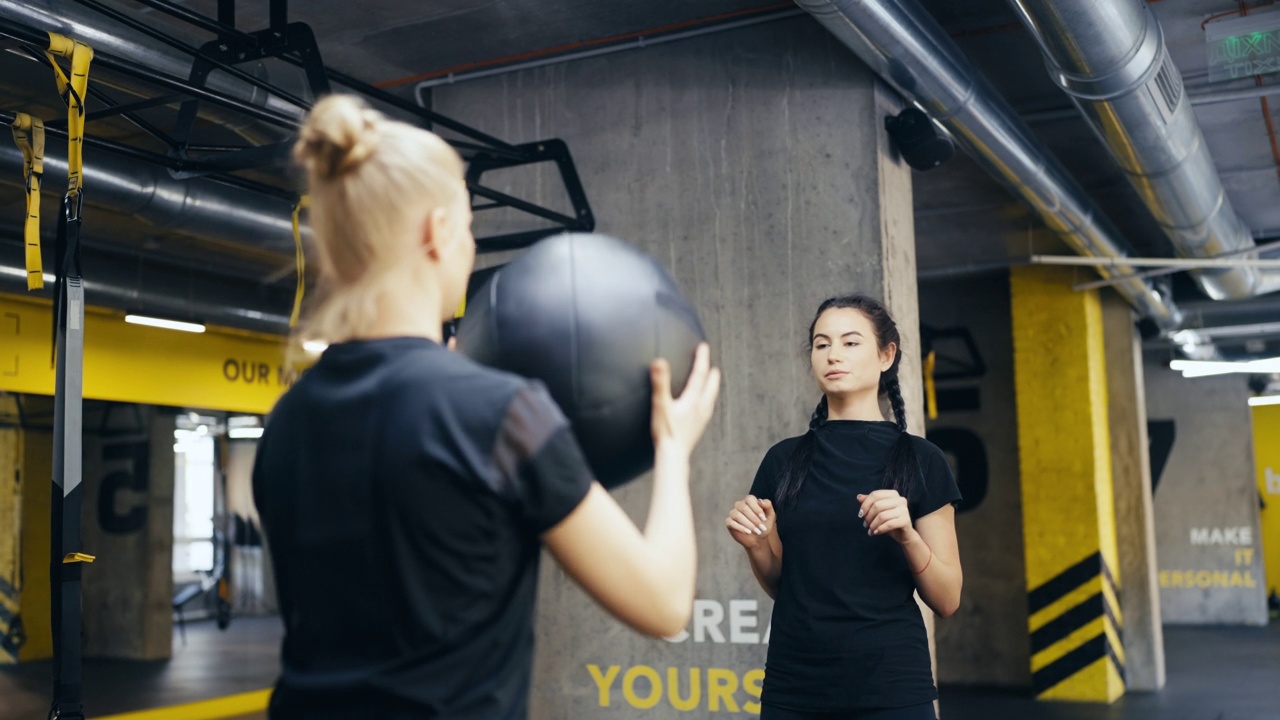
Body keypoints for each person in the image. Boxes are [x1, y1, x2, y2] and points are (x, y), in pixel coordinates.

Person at [252, 94, 721, 719]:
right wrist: (673, 450)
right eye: (469, 226)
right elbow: (663, 604)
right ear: (437, 231)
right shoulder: (501, 416)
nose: (470, 244)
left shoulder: (288, 421)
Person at [725, 294, 962, 720]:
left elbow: (947, 599)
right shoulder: (784, 460)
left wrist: (907, 536)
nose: (834, 354)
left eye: (851, 343)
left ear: (886, 355)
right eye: (822, 344)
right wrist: (756, 545)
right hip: (794, 686)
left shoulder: (921, 459)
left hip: (890, 687)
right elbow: (784, 584)